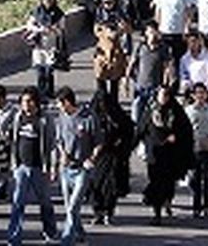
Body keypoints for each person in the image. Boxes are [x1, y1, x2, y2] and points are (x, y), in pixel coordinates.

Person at [3, 88, 59, 246]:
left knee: (45, 202)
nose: (26, 105)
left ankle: (50, 232)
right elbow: (4, 131)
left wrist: (52, 167)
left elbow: (52, 144)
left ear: (36, 103)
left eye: (29, 101)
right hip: (21, 167)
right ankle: (14, 238)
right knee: (17, 203)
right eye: (23, 102)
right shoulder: (17, 118)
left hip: (39, 168)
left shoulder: (44, 120)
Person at [136, 83, 194, 225]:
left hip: (171, 155)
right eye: (162, 94)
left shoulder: (176, 111)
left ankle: (166, 202)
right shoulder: (150, 111)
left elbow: (186, 131)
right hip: (154, 154)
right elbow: (141, 129)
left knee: (167, 182)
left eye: (167, 95)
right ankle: (157, 212)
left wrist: (175, 136)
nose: (164, 98)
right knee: (155, 181)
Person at [55, 86, 102, 246]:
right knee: (69, 207)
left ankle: (66, 240)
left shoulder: (88, 117)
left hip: (82, 169)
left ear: (67, 102)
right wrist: (62, 154)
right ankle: (80, 232)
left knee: (73, 207)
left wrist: (92, 158)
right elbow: (59, 140)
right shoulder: (61, 117)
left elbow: (98, 142)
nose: (58, 107)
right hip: (66, 169)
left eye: (60, 103)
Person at [88, 89, 132, 227]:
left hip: (113, 156)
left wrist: (121, 142)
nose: (103, 105)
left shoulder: (117, 115)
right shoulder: (92, 117)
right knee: (95, 185)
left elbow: (129, 130)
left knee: (110, 186)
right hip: (98, 157)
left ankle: (108, 212)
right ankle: (97, 212)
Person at [184, 82, 208, 217]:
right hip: (194, 148)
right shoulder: (188, 110)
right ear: (193, 95)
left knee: (207, 178)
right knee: (195, 178)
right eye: (197, 93)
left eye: (203, 93)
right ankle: (196, 206)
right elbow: (185, 129)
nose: (200, 96)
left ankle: (207, 207)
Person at [24, 0, 66, 98]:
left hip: (52, 46)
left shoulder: (58, 14)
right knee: (40, 71)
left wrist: (53, 29)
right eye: (46, 0)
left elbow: (62, 29)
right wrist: (40, 29)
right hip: (39, 46)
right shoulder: (37, 12)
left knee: (49, 71)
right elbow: (29, 25)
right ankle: (40, 93)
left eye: (51, 0)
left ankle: (49, 92)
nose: (48, 2)